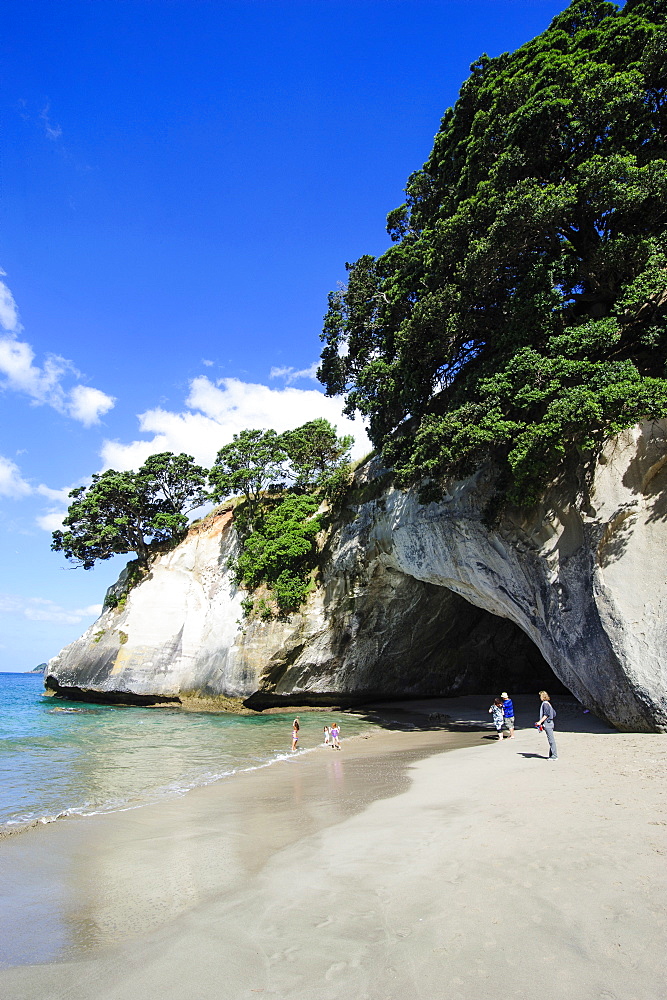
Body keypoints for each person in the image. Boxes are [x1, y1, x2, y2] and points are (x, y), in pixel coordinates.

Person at [536, 691, 558, 760]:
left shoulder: (545, 704)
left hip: (548, 723)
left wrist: (539, 722)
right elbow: (554, 714)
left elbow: (546, 714)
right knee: (551, 740)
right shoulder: (549, 704)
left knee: (551, 740)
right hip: (550, 723)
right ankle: (551, 755)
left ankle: (554, 756)